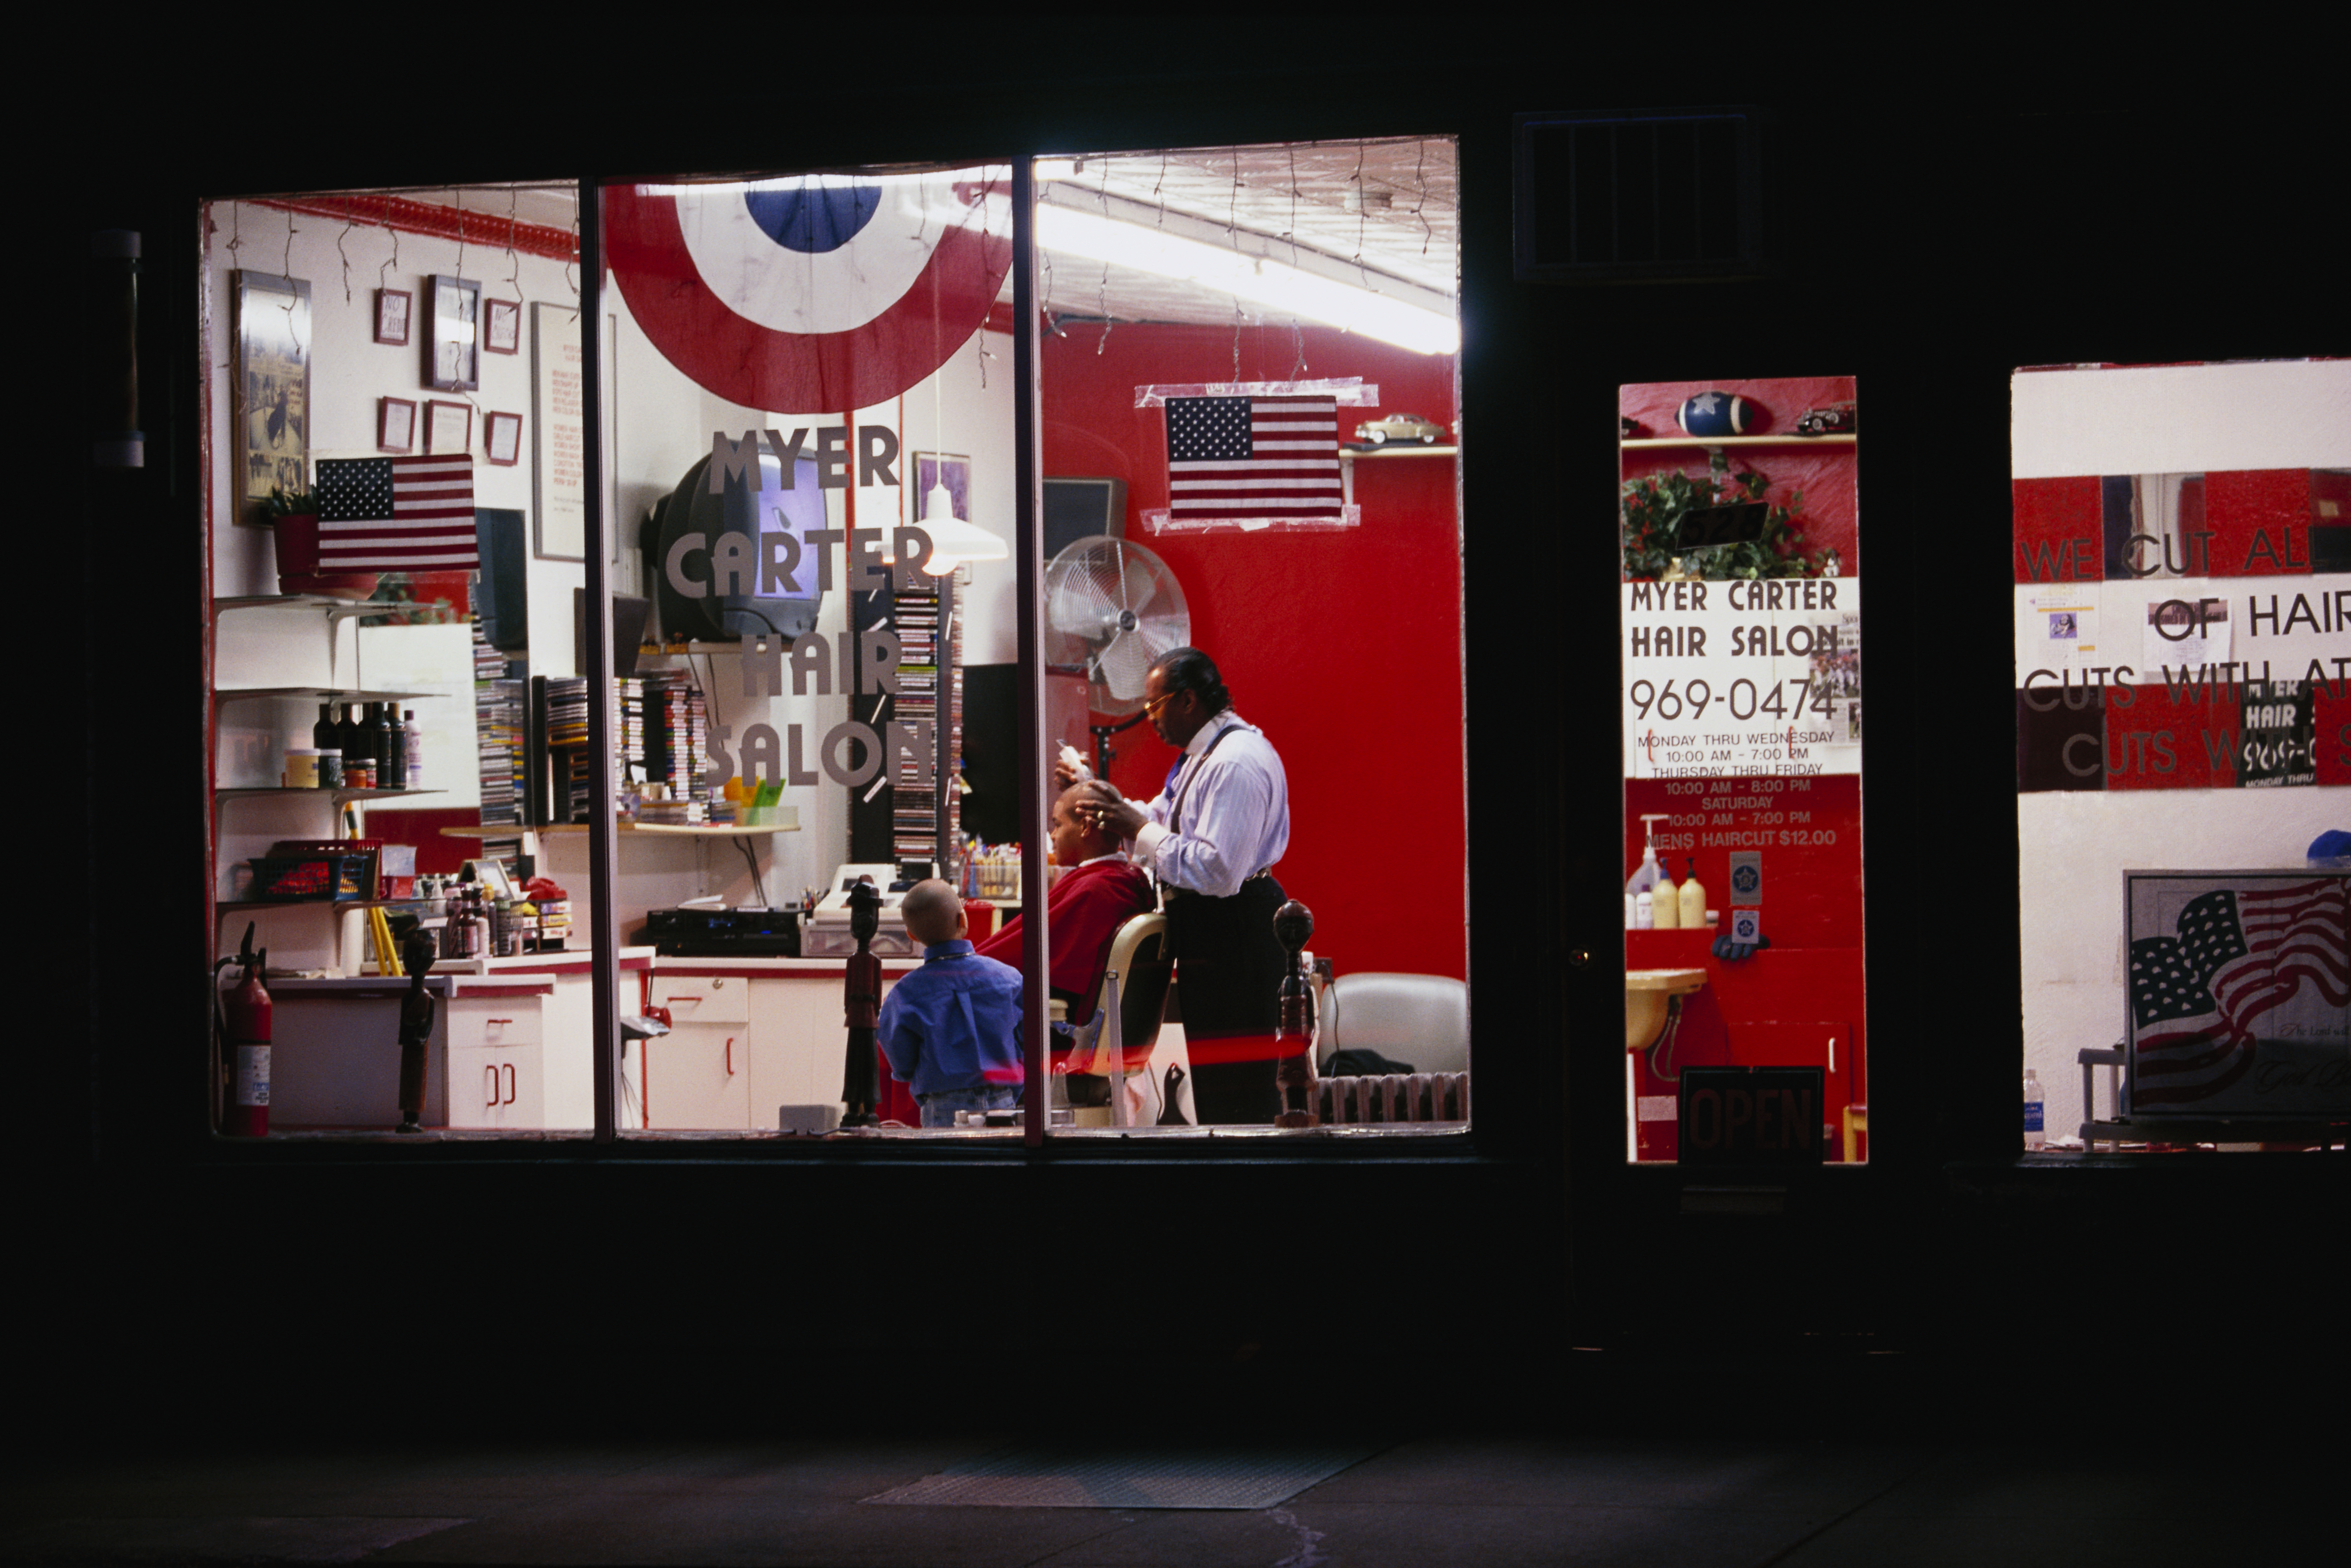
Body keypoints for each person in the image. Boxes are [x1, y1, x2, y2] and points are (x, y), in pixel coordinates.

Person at [1063, 647, 1292, 1123]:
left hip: (1236, 927)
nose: (1149, 719)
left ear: (1187, 700)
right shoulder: (1201, 756)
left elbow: (1217, 870)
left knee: (1239, 1085)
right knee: (1214, 1080)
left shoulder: (1233, 763)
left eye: (1154, 706)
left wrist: (1136, 828)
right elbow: (1166, 820)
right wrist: (1106, 800)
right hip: (1211, 926)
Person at [975, 784, 1157, 1059]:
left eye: (1057, 825)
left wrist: (960, 967)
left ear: (1085, 827)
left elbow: (1022, 956)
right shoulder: (1120, 880)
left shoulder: (1096, 891)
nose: (1053, 835)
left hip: (1053, 1041)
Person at [875, 879, 1024, 1128]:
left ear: (912, 935)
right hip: (1004, 1102)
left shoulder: (905, 994)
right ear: (963, 920)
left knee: (947, 1166)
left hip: (943, 1108)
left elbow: (901, 1063)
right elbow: (1027, 1041)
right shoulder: (1009, 979)